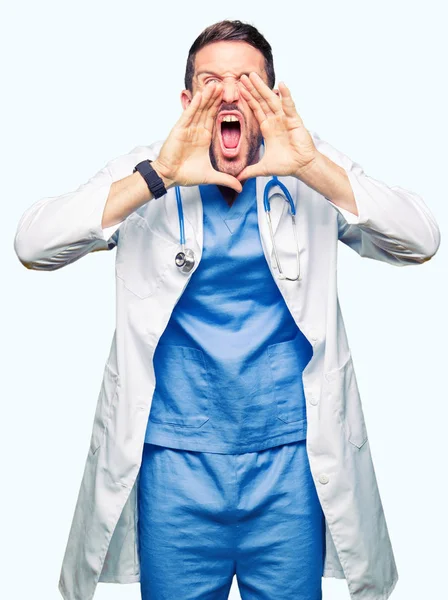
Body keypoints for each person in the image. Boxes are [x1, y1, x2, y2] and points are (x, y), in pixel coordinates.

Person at [14, 19, 440, 600]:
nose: (230, 94)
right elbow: (33, 246)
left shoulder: (307, 164)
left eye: (247, 80)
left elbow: (419, 240)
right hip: (176, 467)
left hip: (290, 465)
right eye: (212, 82)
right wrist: (157, 177)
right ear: (188, 101)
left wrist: (311, 165)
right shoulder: (148, 170)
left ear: (273, 97)